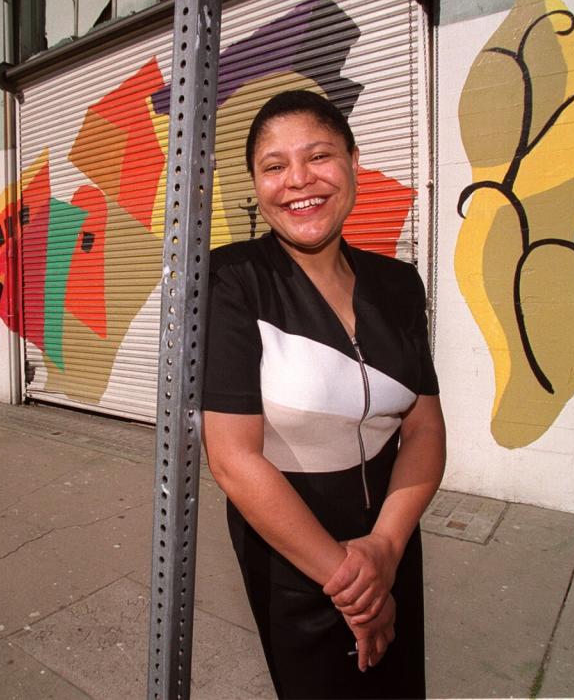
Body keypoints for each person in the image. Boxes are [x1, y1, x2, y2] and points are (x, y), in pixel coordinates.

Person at [202, 90, 446, 699]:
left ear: (354, 162)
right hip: (292, 556)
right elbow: (233, 460)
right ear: (255, 184)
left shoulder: (398, 282)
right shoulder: (232, 278)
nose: (299, 181)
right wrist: (353, 587)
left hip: (392, 539)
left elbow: (424, 427)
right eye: (274, 166)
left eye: (319, 156)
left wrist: (386, 550)